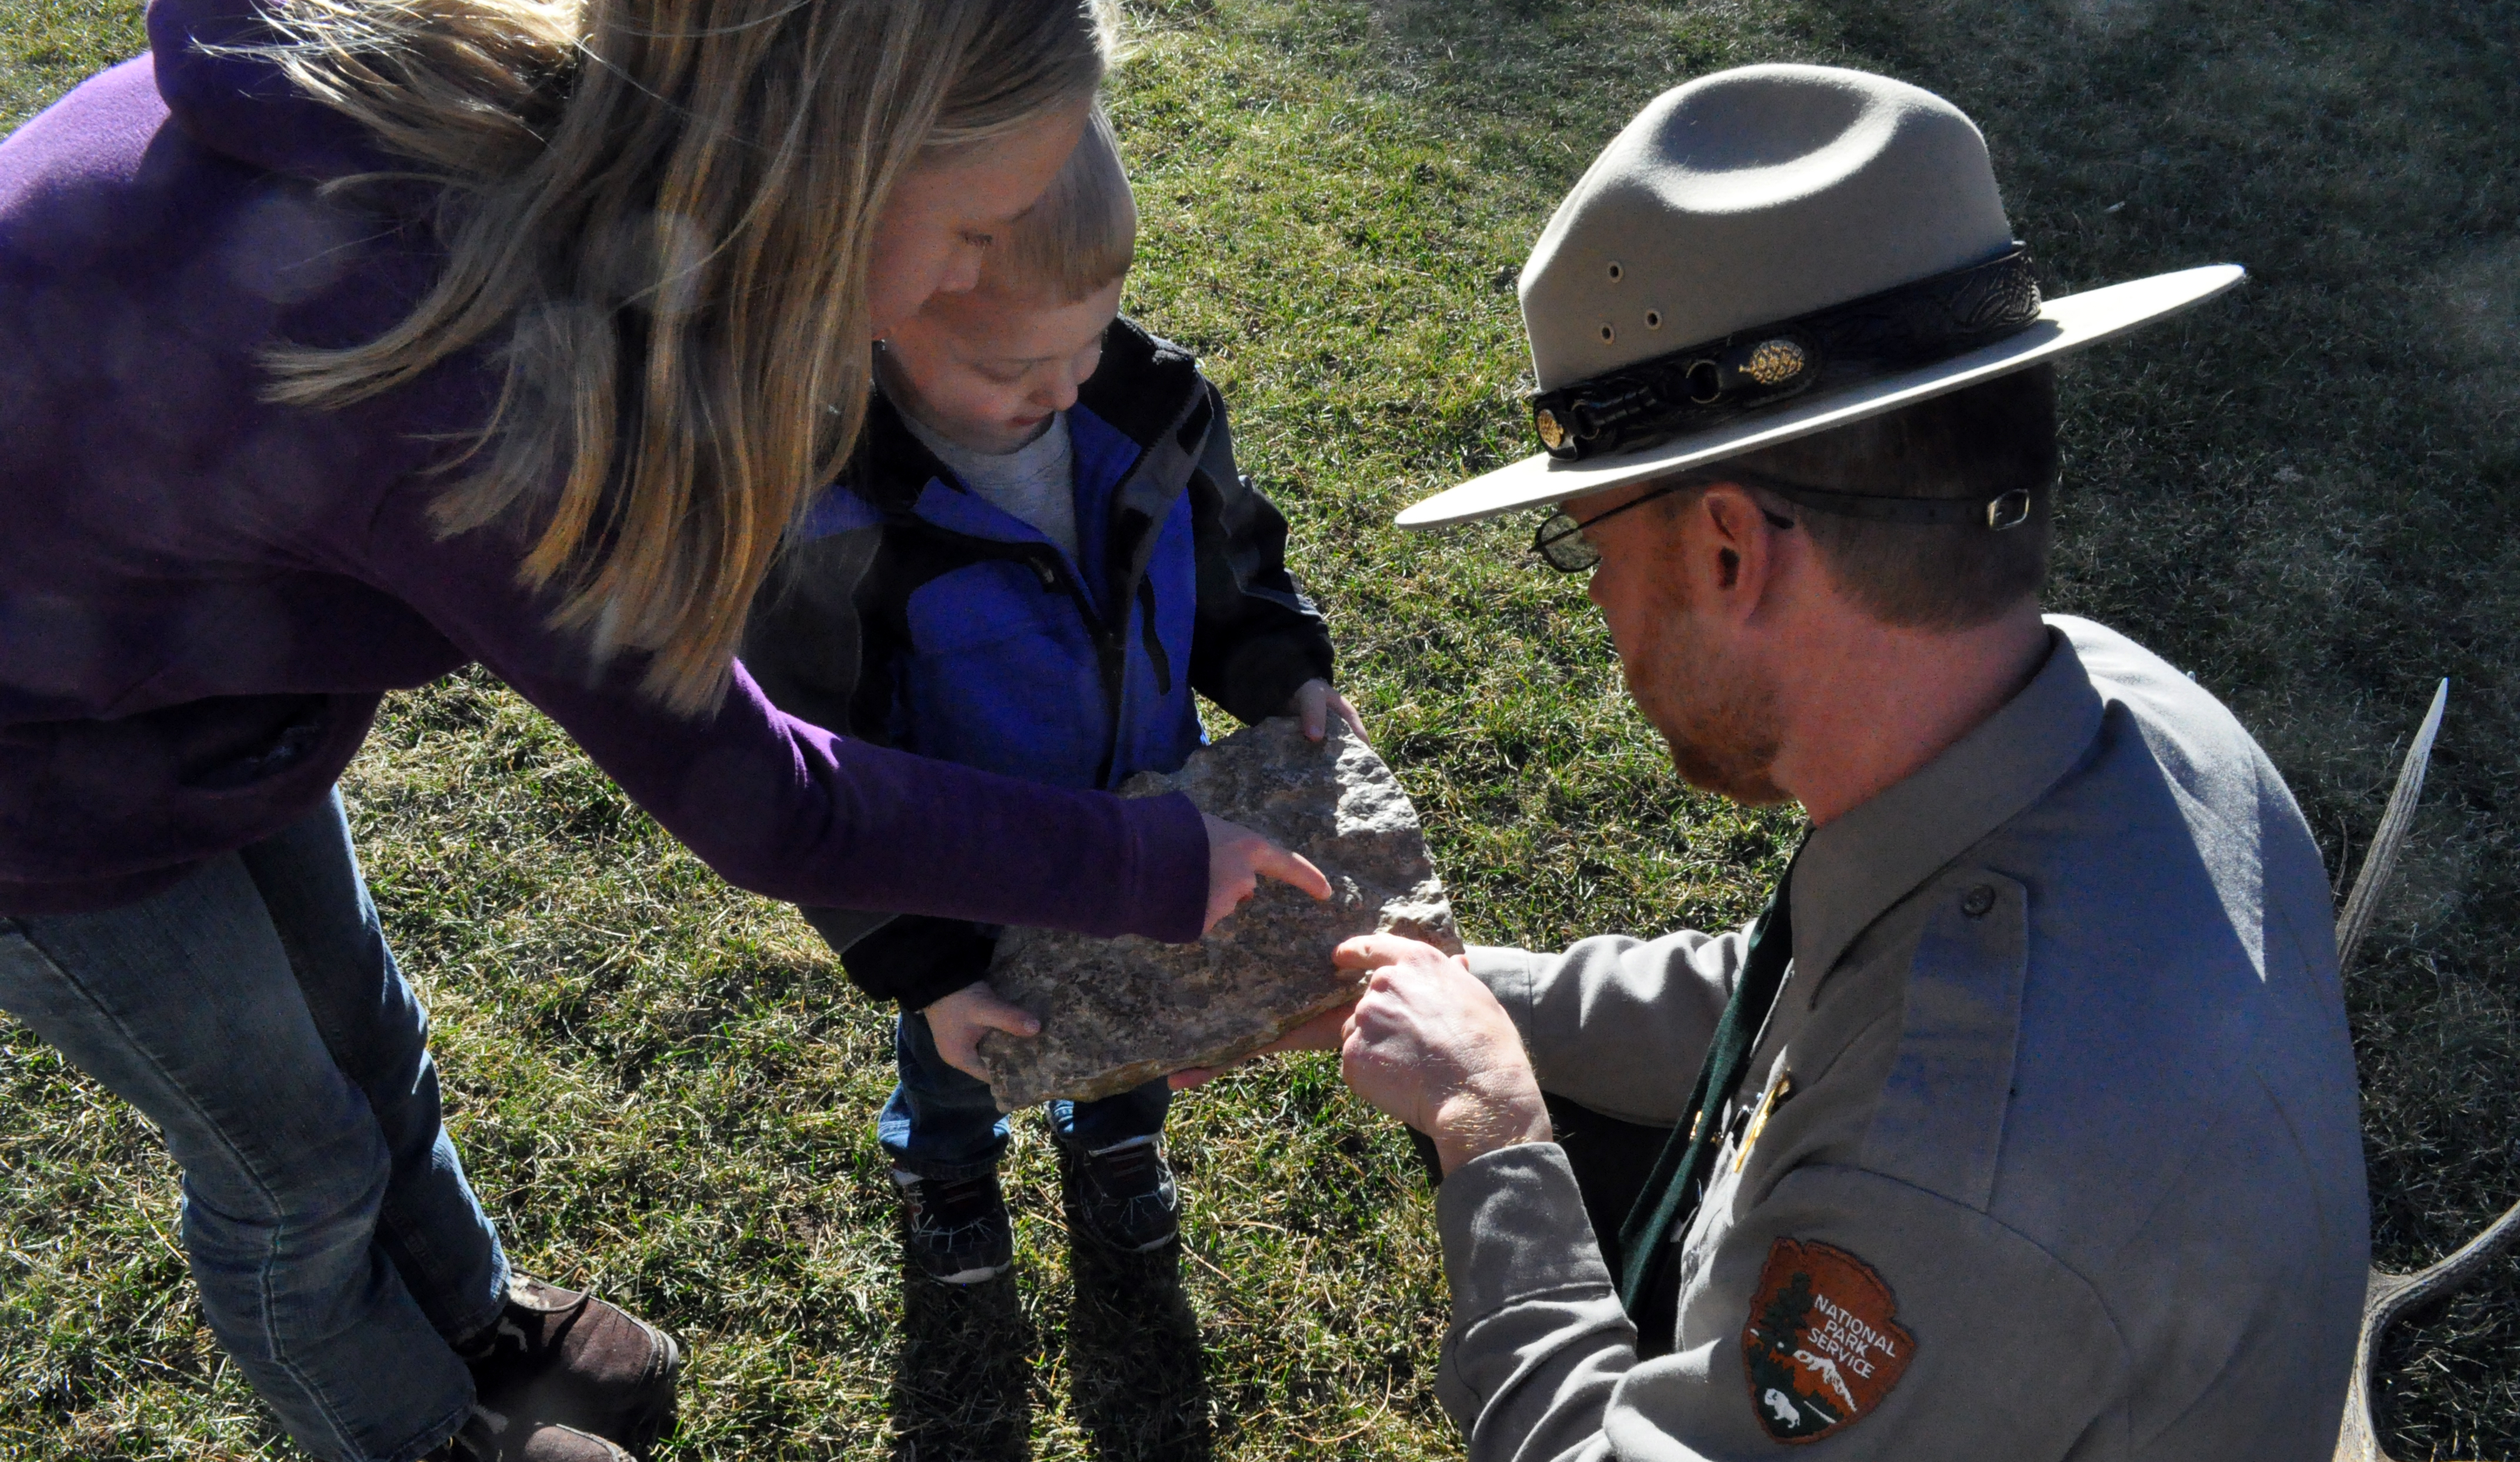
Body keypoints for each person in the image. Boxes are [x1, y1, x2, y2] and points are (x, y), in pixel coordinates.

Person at [0, 0, 1328, 1458]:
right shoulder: (473, 377)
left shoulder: (566, 143)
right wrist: (1148, 866)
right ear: (830, 168)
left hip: (183, 684)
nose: (962, 282)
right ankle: (411, 1437)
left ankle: (474, 1324)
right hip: (35, 771)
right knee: (294, 1164)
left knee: (368, 1035)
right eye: (974, 231)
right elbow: (767, 797)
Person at [1267, 64, 2368, 1459]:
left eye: (1591, 550)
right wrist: (1469, 996)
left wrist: (1490, 1129)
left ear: (1727, 550)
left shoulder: (1948, 1177)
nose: (1600, 611)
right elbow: (1787, 994)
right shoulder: (2113, 705)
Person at [742, 107, 1360, 1285]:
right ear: (879, 308)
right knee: (959, 1052)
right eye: (1009, 367)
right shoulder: (831, 503)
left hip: (1151, 821)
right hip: (959, 882)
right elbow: (818, 765)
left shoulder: (1154, 406)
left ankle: (1118, 1142)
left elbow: (1234, 565)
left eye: (1085, 345)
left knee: (1136, 1015)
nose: (1066, 391)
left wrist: (1283, 671)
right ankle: (948, 1167)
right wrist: (923, 967)